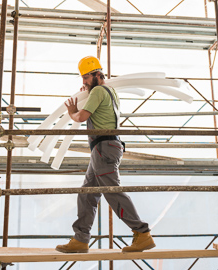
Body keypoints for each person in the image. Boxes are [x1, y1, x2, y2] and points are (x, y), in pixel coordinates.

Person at [55, 56, 155, 253]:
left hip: (104, 148)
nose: (83, 82)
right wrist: (88, 92)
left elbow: (82, 117)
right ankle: (81, 239)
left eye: (85, 77)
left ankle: (142, 233)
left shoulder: (99, 91)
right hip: (102, 149)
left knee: (112, 192)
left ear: (97, 74)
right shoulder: (108, 91)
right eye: (82, 78)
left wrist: (72, 112)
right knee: (86, 194)